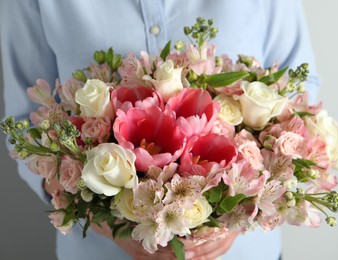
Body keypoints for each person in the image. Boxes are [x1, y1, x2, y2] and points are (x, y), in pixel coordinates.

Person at [0, 0, 319, 259]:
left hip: (246, 251)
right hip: (101, 252)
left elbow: (300, 92)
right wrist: (110, 226)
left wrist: (238, 210)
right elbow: (27, 123)